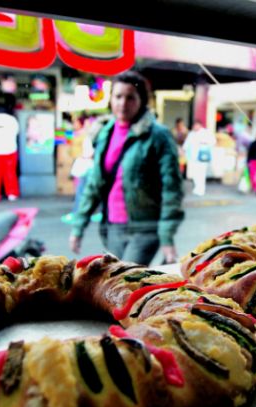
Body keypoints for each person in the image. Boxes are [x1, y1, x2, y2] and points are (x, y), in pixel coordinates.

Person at [68, 71, 184, 266]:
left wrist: (166, 237)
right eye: (118, 96)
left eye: (130, 97)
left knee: (126, 279)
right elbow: (94, 184)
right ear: (111, 99)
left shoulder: (158, 136)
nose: (123, 103)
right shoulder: (105, 133)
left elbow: (171, 188)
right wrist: (78, 227)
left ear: (141, 101)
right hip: (111, 227)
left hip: (145, 228)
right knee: (115, 284)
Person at [183, 120, 216, 196]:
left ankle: (201, 189)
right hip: (192, 157)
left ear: (199, 125)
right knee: (195, 173)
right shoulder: (191, 134)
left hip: (202, 157)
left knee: (201, 173)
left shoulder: (206, 133)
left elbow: (213, 142)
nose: (194, 127)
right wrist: (183, 150)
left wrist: (205, 142)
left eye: (195, 125)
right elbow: (187, 144)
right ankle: (197, 188)